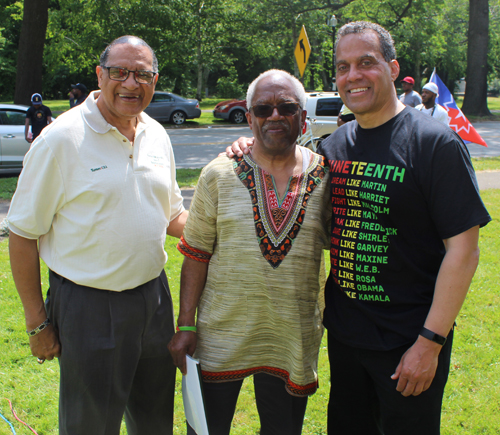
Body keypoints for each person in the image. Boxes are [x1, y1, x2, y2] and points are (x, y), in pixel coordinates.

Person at [227, 21, 490, 435]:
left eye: (366, 62)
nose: (353, 75)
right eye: (343, 66)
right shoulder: (334, 146)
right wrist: (249, 145)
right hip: (347, 336)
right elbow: (288, 169)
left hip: (409, 339)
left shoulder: (435, 144)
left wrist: (430, 342)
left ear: (391, 67)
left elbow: (464, 251)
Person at [8, 35, 188, 435]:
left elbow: (173, 213)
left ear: (155, 80)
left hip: (154, 299)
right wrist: (37, 324)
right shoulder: (60, 140)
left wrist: (227, 231)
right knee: (90, 425)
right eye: (119, 72)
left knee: (155, 419)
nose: (130, 83)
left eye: (142, 74)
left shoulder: (157, 133)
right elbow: (22, 234)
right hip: (89, 306)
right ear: (99, 75)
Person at [168, 69, 331, 435]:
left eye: (286, 107)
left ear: (302, 117)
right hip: (219, 335)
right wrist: (186, 324)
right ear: (249, 115)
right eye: (263, 109)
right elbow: (195, 253)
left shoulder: (325, 178)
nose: (274, 116)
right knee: (206, 429)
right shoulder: (218, 174)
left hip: (291, 336)